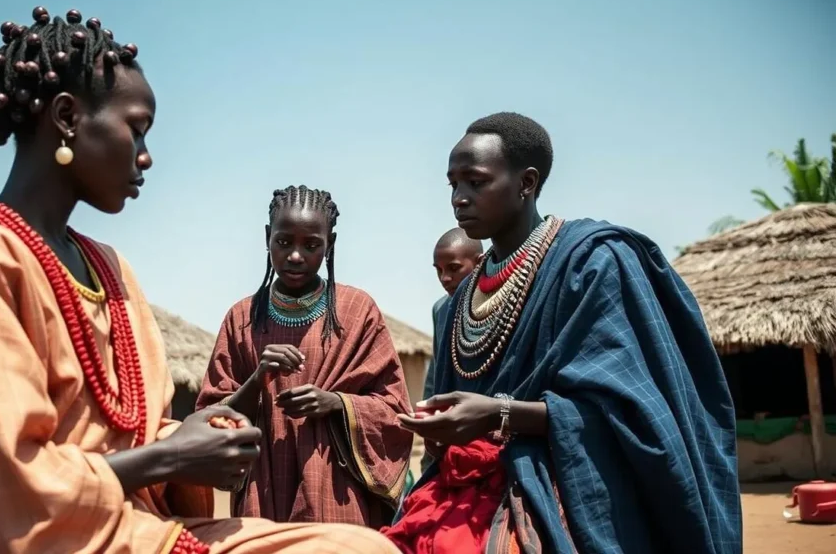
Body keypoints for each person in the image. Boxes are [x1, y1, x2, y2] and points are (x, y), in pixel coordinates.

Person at [0, 7, 398, 554]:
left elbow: (140, 432)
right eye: (136, 130)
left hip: (142, 523)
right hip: (63, 538)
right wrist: (176, 453)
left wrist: (207, 436)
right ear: (66, 117)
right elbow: (0, 487)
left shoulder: (110, 268)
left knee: (365, 546)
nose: (146, 157)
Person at [385, 112, 741, 553]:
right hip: (466, 484)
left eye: (475, 182)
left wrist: (500, 414)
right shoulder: (463, 298)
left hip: (562, 485)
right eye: (452, 184)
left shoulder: (594, 263)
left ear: (526, 183)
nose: (459, 198)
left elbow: (636, 413)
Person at [196, 186, 413, 528]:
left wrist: (337, 403)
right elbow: (210, 418)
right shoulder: (241, 318)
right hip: (263, 488)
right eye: (284, 242)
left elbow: (395, 411)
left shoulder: (357, 311)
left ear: (331, 244)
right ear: (267, 238)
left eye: (311, 245)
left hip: (337, 490)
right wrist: (258, 379)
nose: (295, 256)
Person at [419, 229, 482, 471]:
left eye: (454, 268)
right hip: (451, 432)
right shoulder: (441, 310)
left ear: (478, 263)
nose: (445, 278)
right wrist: (427, 423)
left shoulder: (501, 304)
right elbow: (435, 376)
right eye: (439, 270)